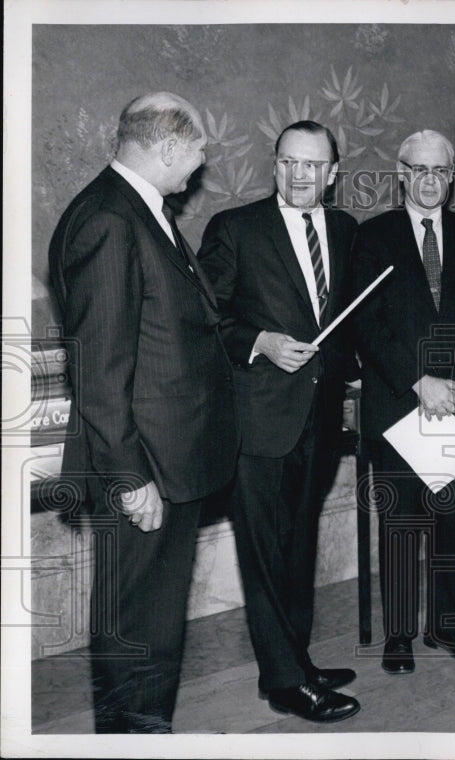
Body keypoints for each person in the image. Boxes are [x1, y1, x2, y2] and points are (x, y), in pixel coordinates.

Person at [48, 92, 238, 732]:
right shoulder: (109, 219)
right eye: (199, 149)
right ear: (169, 148)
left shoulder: (137, 209)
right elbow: (99, 372)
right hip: (144, 466)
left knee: (153, 621)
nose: (203, 161)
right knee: (139, 625)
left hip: (165, 459)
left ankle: (145, 732)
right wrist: (132, 479)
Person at [198, 121, 360, 722]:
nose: (299, 175)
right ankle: (286, 683)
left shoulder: (345, 230)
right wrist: (260, 341)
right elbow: (203, 316)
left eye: (312, 165)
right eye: (289, 162)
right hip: (259, 422)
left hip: (320, 419)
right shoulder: (235, 229)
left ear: (332, 173)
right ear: (274, 165)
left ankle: (298, 661)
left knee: (299, 546)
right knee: (265, 554)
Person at [351, 129, 455, 675]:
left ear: (452, 176)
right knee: (399, 524)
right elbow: (365, 323)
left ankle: (445, 625)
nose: (430, 180)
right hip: (398, 404)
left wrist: (454, 385)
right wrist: (420, 382)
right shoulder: (373, 236)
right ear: (402, 174)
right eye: (420, 170)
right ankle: (399, 634)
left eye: (440, 171)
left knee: (449, 523)